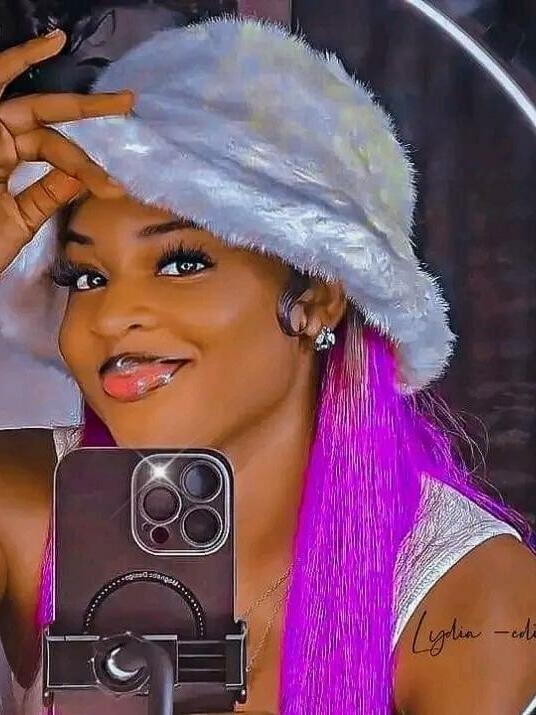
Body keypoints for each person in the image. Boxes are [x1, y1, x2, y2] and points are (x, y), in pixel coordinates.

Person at [0, 17, 535, 715]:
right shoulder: (28, 506)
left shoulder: (471, 599)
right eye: (87, 276)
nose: (109, 316)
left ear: (315, 298)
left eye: (181, 263)